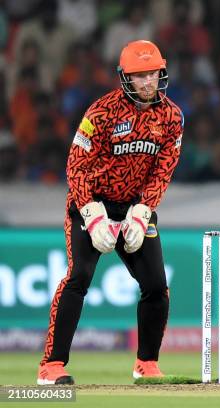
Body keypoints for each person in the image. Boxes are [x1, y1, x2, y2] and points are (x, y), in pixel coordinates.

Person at [37, 40, 184, 385]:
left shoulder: (172, 116)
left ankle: (146, 363)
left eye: (153, 74)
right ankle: (52, 366)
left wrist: (143, 211)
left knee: (157, 286)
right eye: (139, 76)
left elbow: (163, 170)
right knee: (78, 279)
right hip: (92, 203)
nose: (148, 82)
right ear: (125, 78)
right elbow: (76, 166)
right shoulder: (101, 112)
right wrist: (91, 213)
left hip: (135, 206)